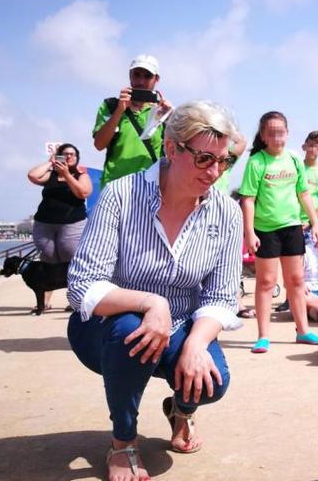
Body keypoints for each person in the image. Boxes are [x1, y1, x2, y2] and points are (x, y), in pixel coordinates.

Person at [67, 100, 242, 480]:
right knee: (132, 327)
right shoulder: (120, 195)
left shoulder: (227, 213)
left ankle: (181, 410)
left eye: (223, 161)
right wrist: (151, 303)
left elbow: (222, 297)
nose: (215, 172)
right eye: (203, 159)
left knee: (213, 381)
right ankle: (123, 442)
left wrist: (195, 345)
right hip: (106, 329)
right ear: (171, 148)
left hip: (180, 324)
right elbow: (82, 287)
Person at [239, 111, 318, 353]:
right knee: (266, 282)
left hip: (292, 227)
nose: (277, 137)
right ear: (264, 136)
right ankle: (263, 335)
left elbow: (304, 194)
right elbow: (248, 200)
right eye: (272, 133)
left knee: (296, 281)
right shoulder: (257, 162)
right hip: (266, 229)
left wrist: (315, 222)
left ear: (287, 134)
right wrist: (249, 233)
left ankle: (303, 331)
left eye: (281, 132)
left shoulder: (294, 159)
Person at [27, 143, 93, 311]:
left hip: (72, 224)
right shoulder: (51, 175)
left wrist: (67, 175)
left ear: (77, 158)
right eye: (65, 154)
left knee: (70, 260)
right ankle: (44, 301)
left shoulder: (81, 175)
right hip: (45, 223)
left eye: (72, 154)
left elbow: (83, 192)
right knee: (47, 258)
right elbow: (33, 176)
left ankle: (74, 300)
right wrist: (51, 162)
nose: (69, 157)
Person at [93, 54, 172, 188]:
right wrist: (119, 110)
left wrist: (171, 119)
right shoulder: (110, 106)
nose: (141, 81)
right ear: (130, 76)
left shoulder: (163, 112)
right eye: (136, 74)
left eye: (147, 76)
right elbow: (99, 145)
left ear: (156, 79)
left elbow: (177, 151)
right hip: (114, 185)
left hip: (151, 187)